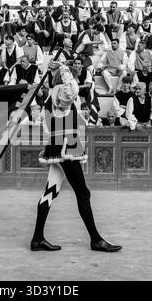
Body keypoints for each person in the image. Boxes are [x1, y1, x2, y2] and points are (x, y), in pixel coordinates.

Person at [31, 66, 122, 253]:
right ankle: (96, 240)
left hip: (59, 147)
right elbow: (72, 89)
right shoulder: (62, 93)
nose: (75, 76)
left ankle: (37, 239)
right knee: (83, 193)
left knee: (50, 192)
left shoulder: (52, 97)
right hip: (66, 149)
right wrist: (63, 68)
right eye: (71, 74)